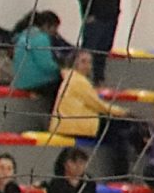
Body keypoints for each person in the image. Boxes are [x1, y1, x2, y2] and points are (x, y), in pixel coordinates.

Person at [52, 48, 134, 177]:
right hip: (74, 125)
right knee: (119, 128)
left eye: (89, 62)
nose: (87, 65)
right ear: (74, 63)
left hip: (70, 122)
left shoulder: (71, 78)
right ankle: (121, 172)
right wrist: (123, 112)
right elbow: (99, 105)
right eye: (83, 61)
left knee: (117, 128)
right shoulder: (78, 81)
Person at [11, 11, 63, 99]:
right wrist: (61, 69)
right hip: (35, 83)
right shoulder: (40, 38)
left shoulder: (24, 35)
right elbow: (46, 65)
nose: (56, 32)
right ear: (47, 25)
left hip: (20, 82)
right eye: (55, 28)